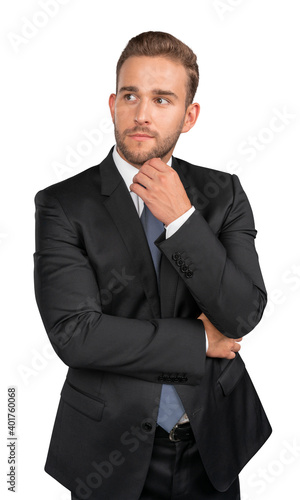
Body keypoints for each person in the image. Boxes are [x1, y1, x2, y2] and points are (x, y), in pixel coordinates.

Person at [34, 31, 272, 500]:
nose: (142, 114)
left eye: (162, 99)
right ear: (112, 104)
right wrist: (201, 339)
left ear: (189, 115)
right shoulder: (62, 205)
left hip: (212, 442)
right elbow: (76, 334)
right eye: (130, 96)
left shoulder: (223, 195)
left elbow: (242, 314)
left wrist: (182, 220)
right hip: (107, 451)